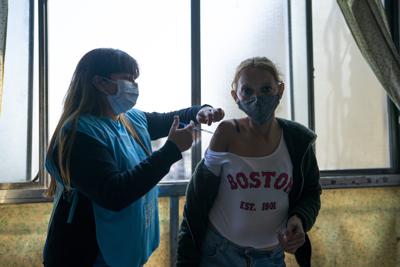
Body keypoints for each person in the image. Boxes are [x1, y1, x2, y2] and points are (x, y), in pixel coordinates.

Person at [42, 48, 225, 267]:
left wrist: (201, 111)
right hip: (85, 254)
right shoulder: (78, 135)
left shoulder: (129, 119)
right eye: (128, 79)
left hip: (124, 249)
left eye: (135, 80)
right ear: (100, 83)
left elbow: (172, 119)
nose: (134, 86)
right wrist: (171, 151)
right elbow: (114, 193)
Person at [177, 57, 321, 267]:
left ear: (279, 90)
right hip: (220, 254)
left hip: (271, 257)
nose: (257, 98)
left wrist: (299, 219)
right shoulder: (226, 132)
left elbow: (311, 193)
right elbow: (198, 200)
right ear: (236, 96)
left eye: (265, 89)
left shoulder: (298, 141)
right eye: (247, 91)